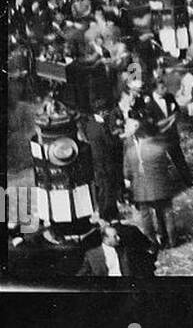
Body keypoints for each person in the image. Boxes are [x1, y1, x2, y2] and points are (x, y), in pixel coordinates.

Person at [124, 113, 181, 249]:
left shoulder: (131, 151)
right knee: (167, 212)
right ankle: (171, 240)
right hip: (161, 186)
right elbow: (168, 166)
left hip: (141, 189)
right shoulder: (159, 149)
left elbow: (127, 172)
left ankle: (152, 241)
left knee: (145, 216)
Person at [77, 220, 158, 278]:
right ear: (106, 238)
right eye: (115, 237)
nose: (119, 238)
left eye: (117, 235)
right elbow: (81, 276)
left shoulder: (125, 251)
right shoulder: (92, 255)